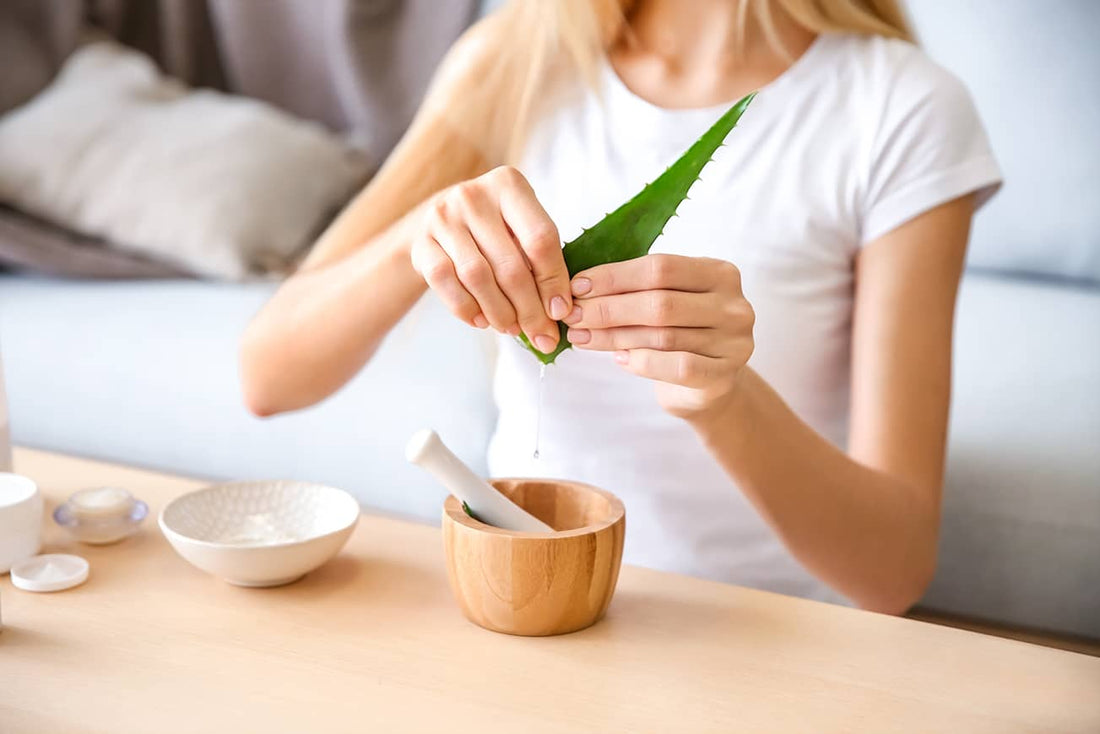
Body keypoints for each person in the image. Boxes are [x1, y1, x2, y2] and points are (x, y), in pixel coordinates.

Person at [240, 0, 1001, 613]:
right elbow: (267, 378)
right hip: (524, 611)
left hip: (767, 640)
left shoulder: (900, 108)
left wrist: (723, 399)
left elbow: (893, 570)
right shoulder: (516, 57)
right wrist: (423, 230)